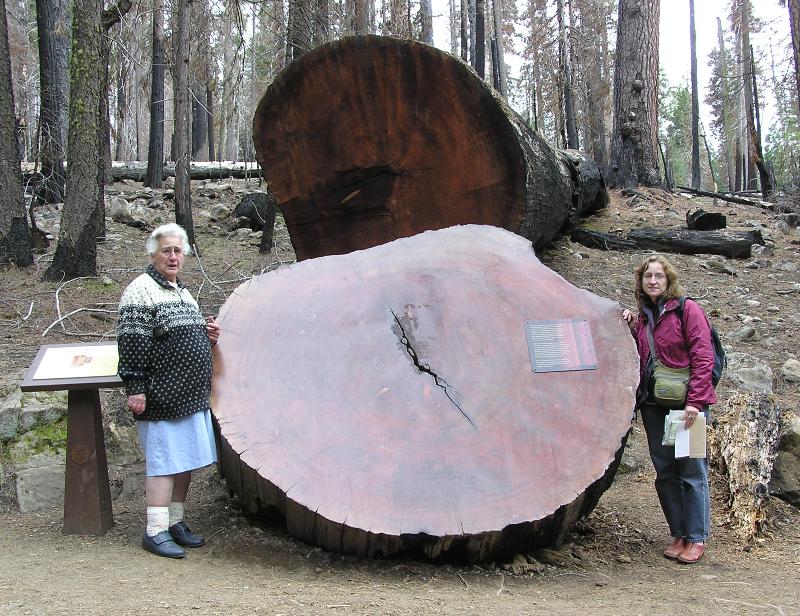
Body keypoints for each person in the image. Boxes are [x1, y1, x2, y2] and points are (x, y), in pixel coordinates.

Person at [117, 223, 221, 559]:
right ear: (153, 254)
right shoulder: (140, 291)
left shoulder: (181, 292)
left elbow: (181, 337)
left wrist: (206, 334)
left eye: (178, 251)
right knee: (163, 464)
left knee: (184, 461)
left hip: (189, 398)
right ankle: (155, 530)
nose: (173, 256)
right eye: (166, 250)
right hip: (161, 396)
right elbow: (132, 343)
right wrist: (135, 389)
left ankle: (175, 522)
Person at [622, 254, 716, 565]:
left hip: (685, 407)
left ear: (669, 280)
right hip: (654, 406)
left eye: (658, 276)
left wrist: (695, 402)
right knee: (665, 471)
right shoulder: (645, 317)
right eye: (648, 276)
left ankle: (697, 536)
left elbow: (704, 357)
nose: (652, 280)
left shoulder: (687, 310)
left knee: (691, 470)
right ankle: (679, 533)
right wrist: (632, 323)